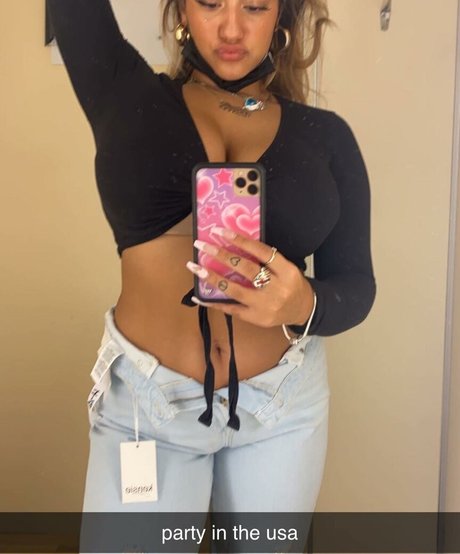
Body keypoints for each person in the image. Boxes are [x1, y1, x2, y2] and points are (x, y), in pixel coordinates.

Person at [47, 0, 376, 550]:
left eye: (254, 6)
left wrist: (302, 304)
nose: (230, 27)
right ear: (181, 8)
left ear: (281, 16)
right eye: (210, 3)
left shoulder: (327, 136)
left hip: (281, 406)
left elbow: (357, 285)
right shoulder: (124, 89)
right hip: (147, 407)